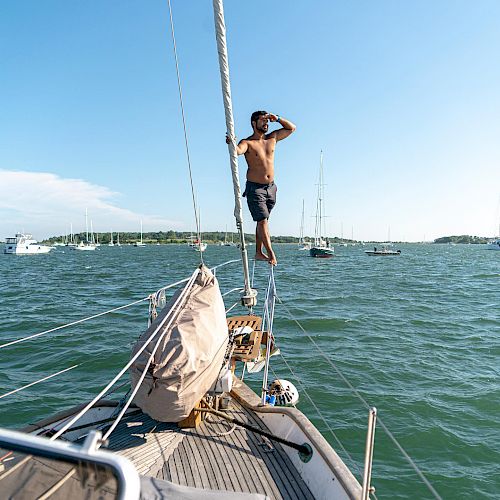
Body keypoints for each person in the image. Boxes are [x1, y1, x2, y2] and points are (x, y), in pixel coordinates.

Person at [226, 111, 296, 265]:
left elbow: (292, 128)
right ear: (253, 123)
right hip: (255, 188)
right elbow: (238, 151)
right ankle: (271, 255)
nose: (266, 124)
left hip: (271, 188)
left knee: (262, 222)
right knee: (262, 221)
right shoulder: (247, 142)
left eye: (267, 121)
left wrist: (276, 118)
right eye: (263, 121)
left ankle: (258, 252)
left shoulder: (273, 138)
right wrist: (232, 142)